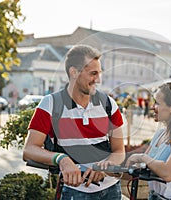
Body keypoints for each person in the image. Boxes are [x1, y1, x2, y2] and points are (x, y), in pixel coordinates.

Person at [23, 45, 125, 200]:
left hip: (111, 190)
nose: (98, 79)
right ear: (74, 72)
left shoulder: (109, 104)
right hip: (73, 192)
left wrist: (105, 167)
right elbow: (29, 150)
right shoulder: (50, 104)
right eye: (93, 73)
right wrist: (61, 159)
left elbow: (119, 151)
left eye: (99, 73)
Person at [125, 82, 171, 200]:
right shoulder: (160, 133)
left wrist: (141, 157)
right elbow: (144, 166)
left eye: (157, 103)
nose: (152, 107)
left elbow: (169, 173)